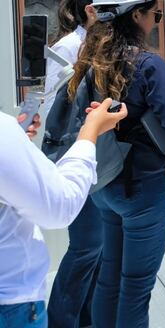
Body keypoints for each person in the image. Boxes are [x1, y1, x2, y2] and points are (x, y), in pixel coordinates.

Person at [69, 0, 165, 328]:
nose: (156, 20)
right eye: (154, 13)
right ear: (137, 15)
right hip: (147, 191)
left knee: (109, 278)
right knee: (136, 287)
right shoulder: (149, 64)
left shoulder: (90, 60)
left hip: (105, 184)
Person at [1, 101, 127, 328]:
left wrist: (16, 149)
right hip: (10, 307)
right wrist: (91, 132)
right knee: (88, 249)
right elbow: (61, 207)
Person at [45, 0, 101, 328]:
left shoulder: (99, 47)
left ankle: (87, 320)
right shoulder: (69, 47)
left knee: (98, 250)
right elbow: (57, 106)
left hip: (96, 154)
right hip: (75, 156)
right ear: (91, 11)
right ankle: (61, 322)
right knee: (86, 248)